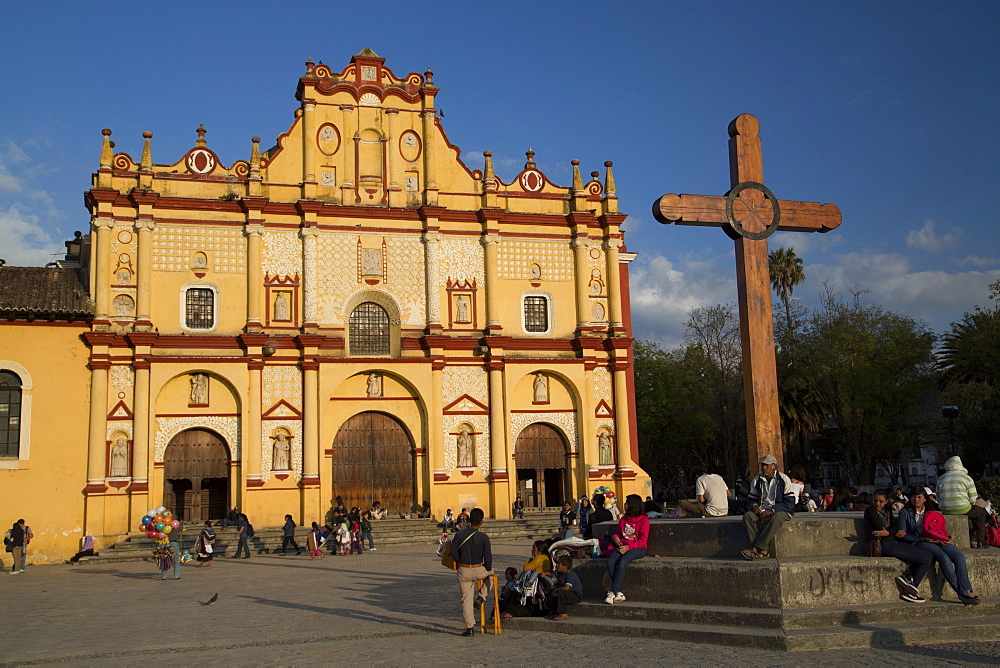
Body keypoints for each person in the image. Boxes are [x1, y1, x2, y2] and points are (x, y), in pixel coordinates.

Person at [896, 487, 980, 605]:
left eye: (919, 497)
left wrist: (946, 538)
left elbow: (939, 528)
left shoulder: (932, 510)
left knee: (959, 557)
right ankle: (961, 592)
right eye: (913, 497)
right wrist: (923, 539)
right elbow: (903, 535)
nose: (916, 500)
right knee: (943, 557)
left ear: (925, 498)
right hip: (921, 541)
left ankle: (967, 589)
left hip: (937, 539)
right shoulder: (905, 512)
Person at [864, 490, 933, 603]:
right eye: (875, 500)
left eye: (881, 501)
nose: (877, 504)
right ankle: (909, 591)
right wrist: (890, 532)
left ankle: (908, 576)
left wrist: (889, 532)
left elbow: (894, 528)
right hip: (883, 545)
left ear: (886, 501)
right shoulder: (870, 511)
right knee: (925, 559)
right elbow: (880, 526)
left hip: (893, 541)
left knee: (929, 554)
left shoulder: (888, 510)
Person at [740, 454, 796, 561]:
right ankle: (761, 550)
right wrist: (754, 506)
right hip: (763, 510)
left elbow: (790, 502)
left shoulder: (784, 479)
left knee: (777, 517)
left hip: (780, 510)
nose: (763, 468)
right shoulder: (757, 480)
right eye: (762, 465)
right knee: (748, 516)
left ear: (773, 466)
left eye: (766, 465)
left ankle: (758, 548)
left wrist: (772, 510)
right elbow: (751, 499)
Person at [453, 508, 493, 637]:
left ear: (469, 520)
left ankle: (469, 628)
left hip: (464, 569)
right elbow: (488, 559)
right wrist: (486, 568)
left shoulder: (459, 535)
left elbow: (454, 553)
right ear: (481, 522)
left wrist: (460, 562)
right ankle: (482, 596)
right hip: (478, 569)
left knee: (466, 599)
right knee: (491, 574)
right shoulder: (483, 537)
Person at [604, 494, 649, 604]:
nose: (624, 505)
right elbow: (617, 534)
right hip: (622, 546)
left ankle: (613, 591)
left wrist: (628, 547)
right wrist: (615, 538)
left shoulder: (643, 520)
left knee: (622, 562)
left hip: (637, 548)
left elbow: (642, 540)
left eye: (627, 503)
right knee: (610, 562)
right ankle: (619, 592)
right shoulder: (624, 519)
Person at [937, 455, 988, 549]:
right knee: (980, 513)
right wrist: (970, 504)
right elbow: (973, 499)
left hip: (945, 509)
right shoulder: (966, 478)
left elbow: (938, 497)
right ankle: (981, 541)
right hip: (962, 507)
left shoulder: (941, 479)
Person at [547, 555, 583, 620]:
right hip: (568, 593)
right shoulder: (561, 573)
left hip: (576, 595)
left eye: (559, 564)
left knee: (560, 592)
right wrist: (544, 573)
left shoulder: (570, 574)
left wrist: (556, 589)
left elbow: (567, 587)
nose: (557, 565)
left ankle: (563, 614)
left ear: (565, 566)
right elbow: (553, 573)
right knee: (552, 592)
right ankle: (554, 612)